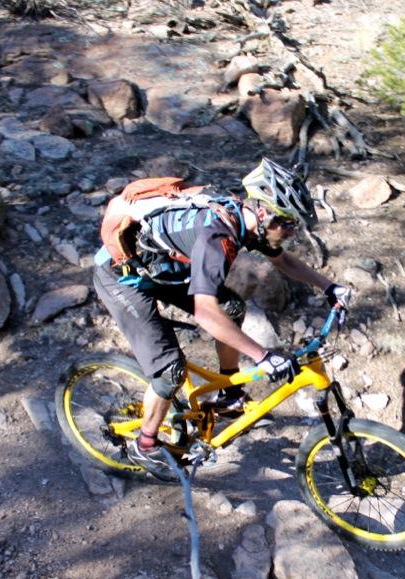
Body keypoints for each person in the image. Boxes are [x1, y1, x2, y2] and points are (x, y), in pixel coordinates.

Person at [92, 158, 351, 474]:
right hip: (121, 278)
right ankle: (144, 444)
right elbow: (204, 312)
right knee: (169, 370)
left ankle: (229, 394)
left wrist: (329, 287)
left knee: (233, 308)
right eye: (289, 223)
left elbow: (283, 261)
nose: (292, 232)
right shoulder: (218, 238)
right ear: (265, 213)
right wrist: (262, 355)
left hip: (158, 270)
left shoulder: (248, 220)